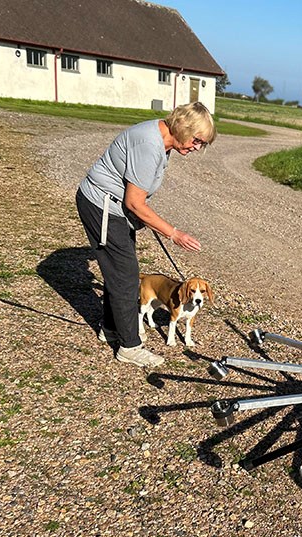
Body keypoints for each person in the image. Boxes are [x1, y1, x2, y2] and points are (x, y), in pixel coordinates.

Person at [76, 102, 216, 367]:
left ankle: (110, 328)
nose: (197, 147)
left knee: (120, 273)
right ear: (182, 128)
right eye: (197, 140)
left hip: (115, 208)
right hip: (102, 205)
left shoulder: (164, 142)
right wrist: (173, 234)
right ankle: (129, 347)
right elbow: (135, 203)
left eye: (203, 144)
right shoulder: (149, 145)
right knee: (127, 278)